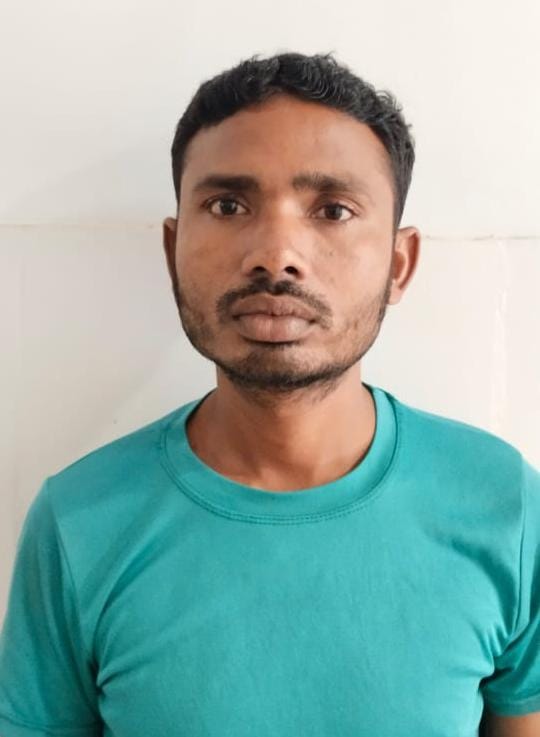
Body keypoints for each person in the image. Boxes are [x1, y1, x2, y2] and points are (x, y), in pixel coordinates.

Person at [0, 51, 538, 737]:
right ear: (172, 251)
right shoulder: (79, 521)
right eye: (228, 205)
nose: (276, 254)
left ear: (399, 264)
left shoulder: (505, 506)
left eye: (333, 209)